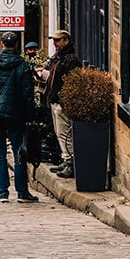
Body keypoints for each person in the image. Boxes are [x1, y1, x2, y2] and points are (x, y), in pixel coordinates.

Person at [0, 32, 40, 203]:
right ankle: (22, 192)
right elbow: (28, 94)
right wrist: (29, 115)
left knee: (0, 152)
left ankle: (3, 192)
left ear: (2, 44)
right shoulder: (22, 65)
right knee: (19, 152)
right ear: (17, 45)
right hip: (15, 114)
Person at [43, 29, 82, 179]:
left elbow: (71, 82)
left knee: (65, 134)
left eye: (57, 40)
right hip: (54, 100)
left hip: (61, 102)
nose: (54, 43)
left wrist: (64, 99)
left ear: (66, 41)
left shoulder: (71, 59)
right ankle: (65, 159)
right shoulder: (58, 57)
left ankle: (70, 163)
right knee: (60, 133)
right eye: (53, 40)